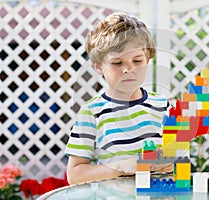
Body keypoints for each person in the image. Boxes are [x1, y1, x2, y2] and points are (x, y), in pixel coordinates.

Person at [65, 13, 170, 185]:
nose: (128, 69)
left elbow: (174, 160)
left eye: (137, 60)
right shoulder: (92, 112)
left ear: (148, 59)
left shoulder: (162, 105)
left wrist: (168, 161)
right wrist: (122, 167)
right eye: (117, 63)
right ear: (99, 67)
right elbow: (75, 174)